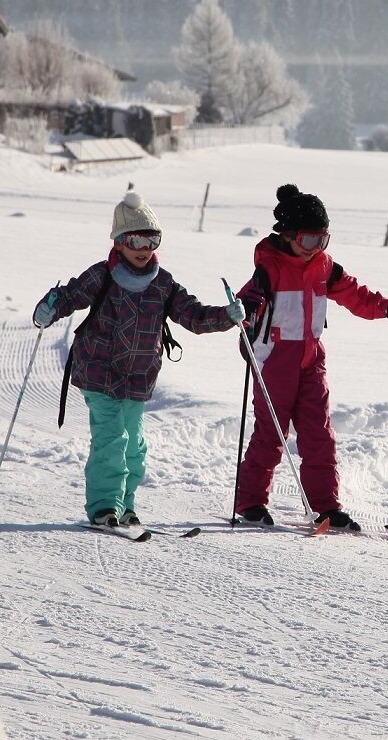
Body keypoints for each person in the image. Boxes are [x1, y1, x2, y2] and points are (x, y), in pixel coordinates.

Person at [32, 191, 244, 529]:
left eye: (152, 240)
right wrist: (48, 308)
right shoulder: (101, 275)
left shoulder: (163, 284)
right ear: (118, 242)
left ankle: (125, 505)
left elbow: (193, 315)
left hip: (139, 376)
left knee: (135, 447)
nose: (144, 249)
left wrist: (227, 316)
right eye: (136, 240)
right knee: (112, 438)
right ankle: (104, 506)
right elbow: (70, 295)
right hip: (99, 371)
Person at [232, 184, 388, 532]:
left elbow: (356, 295)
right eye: (308, 241)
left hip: (311, 358)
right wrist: (243, 309)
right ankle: (251, 502)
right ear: (287, 235)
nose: (315, 249)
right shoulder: (270, 267)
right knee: (271, 432)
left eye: (323, 240)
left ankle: (326, 507)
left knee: (319, 434)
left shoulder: (324, 266)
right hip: (274, 359)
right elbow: (248, 297)